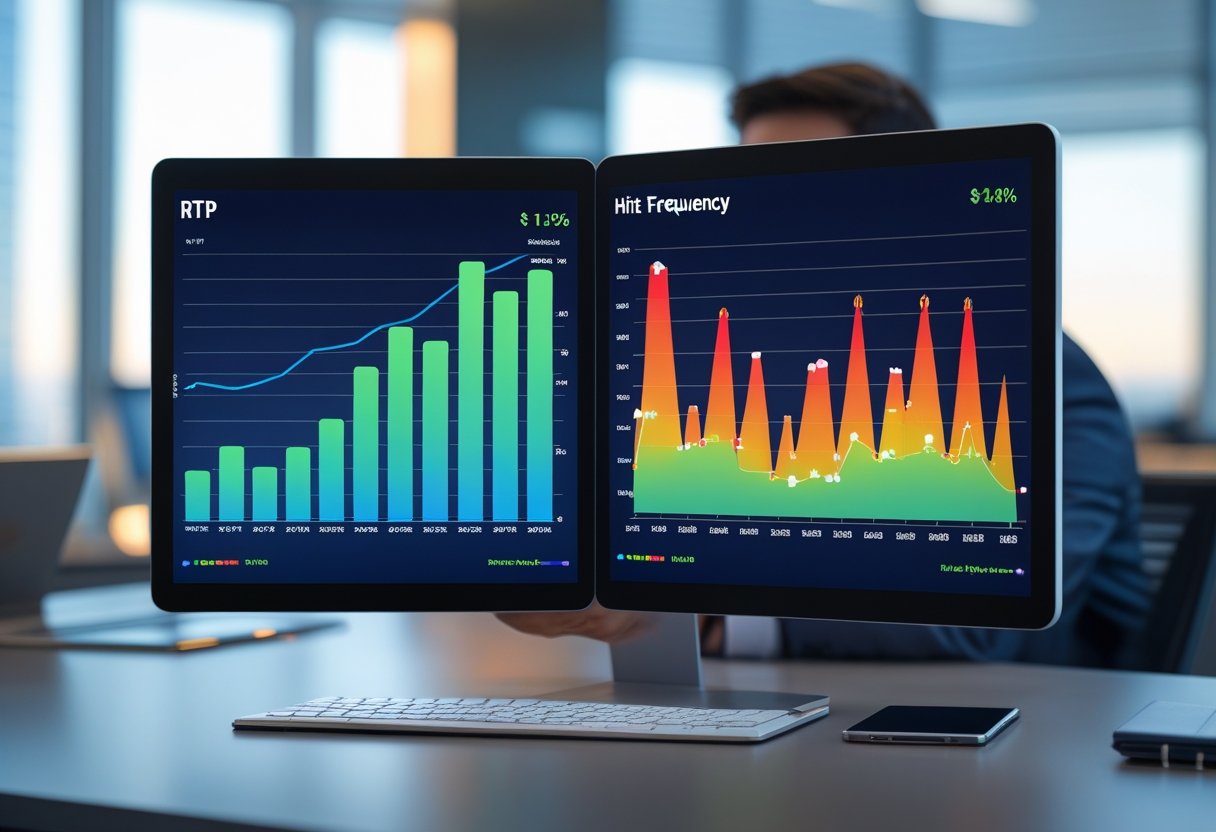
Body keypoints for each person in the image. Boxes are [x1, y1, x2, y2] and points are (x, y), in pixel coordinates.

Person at [500, 62, 1150, 667]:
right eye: (751, 187)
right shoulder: (778, 373)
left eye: (804, 184)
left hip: (1031, 725)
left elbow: (987, 627)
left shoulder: (1048, 377)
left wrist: (707, 622)